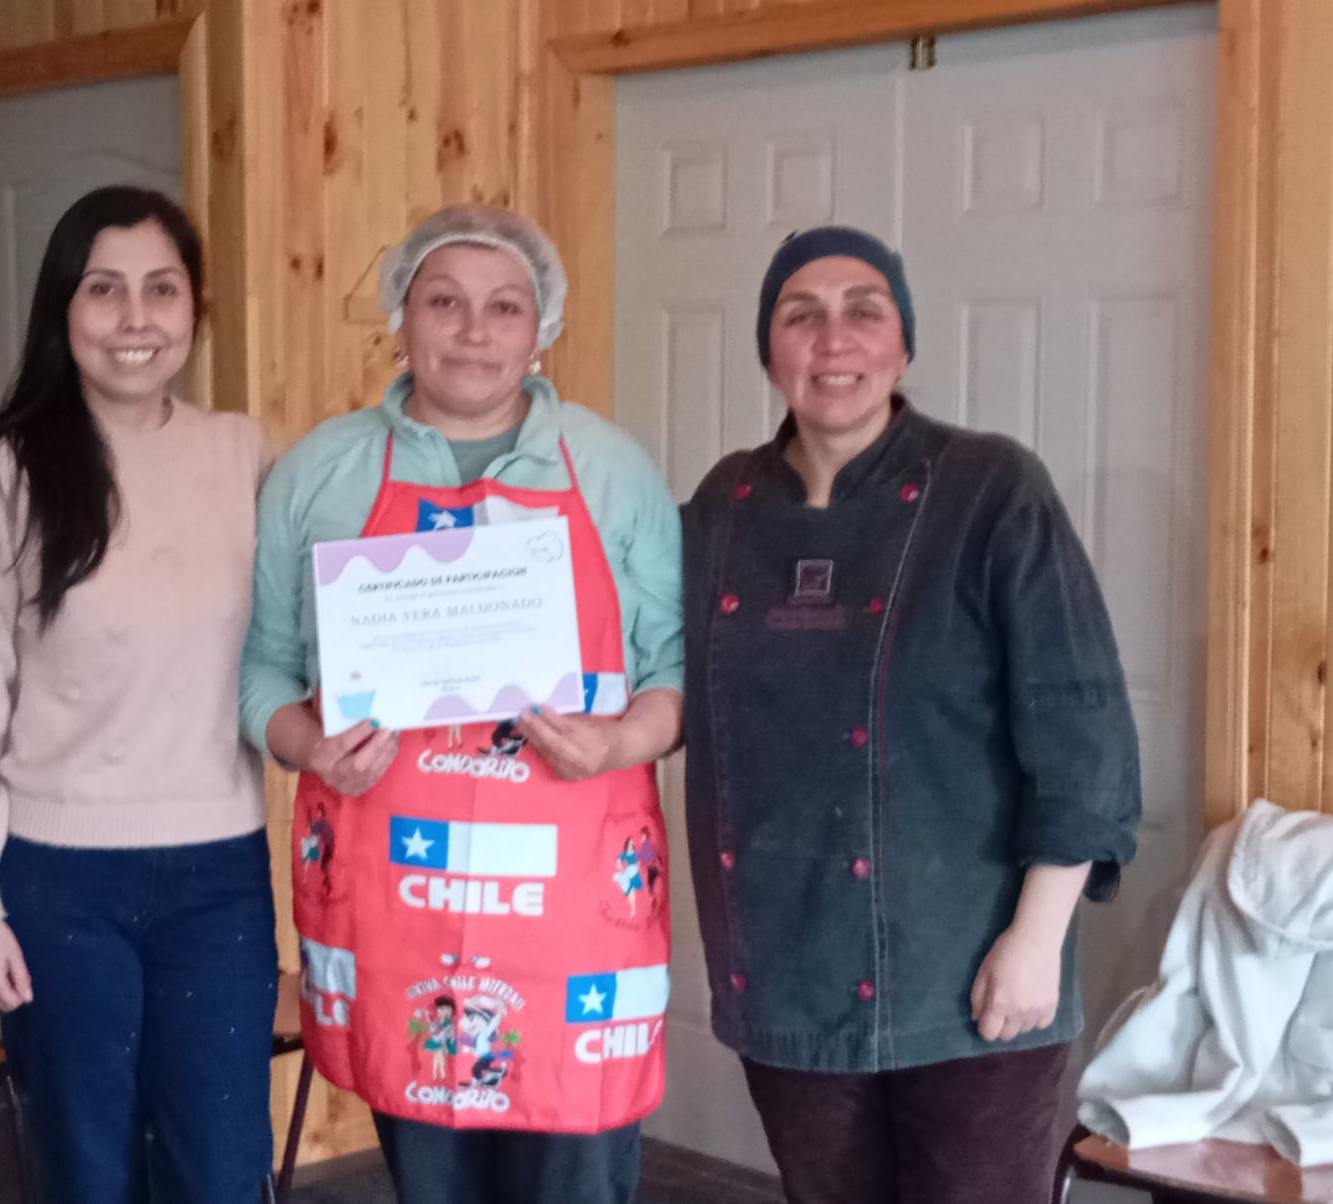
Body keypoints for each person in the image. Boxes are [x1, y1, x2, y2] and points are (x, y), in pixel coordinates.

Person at [680, 226, 1141, 1204]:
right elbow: (650, 676)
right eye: (800, 315)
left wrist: (1035, 943)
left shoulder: (990, 487)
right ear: (769, 350)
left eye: (863, 311)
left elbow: (1078, 725)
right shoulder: (722, 504)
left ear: (904, 345)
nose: (832, 338)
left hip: (970, 965)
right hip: (785, 964)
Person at [239, 203, 683, 1204]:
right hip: (398, 910)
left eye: (504, 306)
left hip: (571, 918)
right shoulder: (320, 471)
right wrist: (308, 742)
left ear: (542, 328)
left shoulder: (612, 473)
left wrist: (619, 738)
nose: (474, 332)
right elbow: (260, 665)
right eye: (444, 302)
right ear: (400, 315)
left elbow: (677, 670)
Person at [0, 185, 277, 1204]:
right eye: (103, 289)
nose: (135, 318)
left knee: (220, 1168)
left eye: (161, 289)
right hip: (56, 883)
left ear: (194, 311)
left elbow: (308, 642)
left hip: (219, 876)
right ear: (62, 310)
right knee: (85, 1171)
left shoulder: (244, 455)